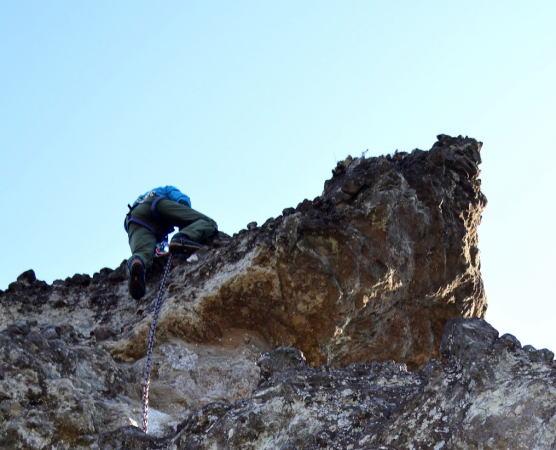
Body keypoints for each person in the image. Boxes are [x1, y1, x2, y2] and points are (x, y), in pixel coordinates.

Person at [124, 185, 217, 299]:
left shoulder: (139, 199)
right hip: (157, 203)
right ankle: (183, 238)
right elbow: (181, 199)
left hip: (133, 218)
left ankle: (137, 263)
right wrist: (184, 217)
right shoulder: (166, 189)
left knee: (142, 253)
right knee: (207, 222)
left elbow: (155, 247)